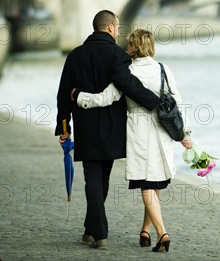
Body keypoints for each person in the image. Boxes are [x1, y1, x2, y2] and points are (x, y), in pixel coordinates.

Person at [74, 29, 192, 253]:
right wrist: (184, 134)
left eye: (128, 44)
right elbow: (178, 102)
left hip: (139, 130)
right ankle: (145, 231)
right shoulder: (163, 69)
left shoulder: (125, 71)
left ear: (132, 47)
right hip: (164, 131)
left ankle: (162, 233)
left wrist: (79, 97)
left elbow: (105, 98)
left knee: (147, 183)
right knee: (155, 183)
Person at [55, 11, 159, 249]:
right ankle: (99, 233)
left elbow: (63, 94)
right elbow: (127, 84)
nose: (119, 31)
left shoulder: (75, 55)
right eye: (118, 28)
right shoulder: (117, 55)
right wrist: (153, 101)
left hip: (86, 126)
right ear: (110, 28)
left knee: (93, 177)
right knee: (102, 178)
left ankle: (92, 230)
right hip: (112, 127)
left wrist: (64, 126)